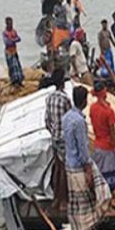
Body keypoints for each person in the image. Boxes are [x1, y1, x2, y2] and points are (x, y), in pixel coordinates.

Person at [63, 86, 112, 230]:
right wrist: (88, 170)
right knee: (88, 202)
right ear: (84, 101)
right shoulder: (78, 121)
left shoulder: (67, 117)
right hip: (79, 166)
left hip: (69, 165)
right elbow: (83, 149)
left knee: (76, 203)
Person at [44, 69, 71, 212]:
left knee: (57, 169)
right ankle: (63, 201)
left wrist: (53, 132)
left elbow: (47, 121)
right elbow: (70, 119)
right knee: (64, 170)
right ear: (63, 83)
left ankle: (56, 199)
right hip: (63, 139)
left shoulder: (49, 98)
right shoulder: (65, 99)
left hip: (54, 137)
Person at [89, 82, 115, 193]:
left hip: (98, 146)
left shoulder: (93, 108)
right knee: (111, 179)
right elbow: (113, 134)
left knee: (100, 176)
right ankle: (108, 204)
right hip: (107, 147)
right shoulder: (108, 112)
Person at [2, 17, 24, 86]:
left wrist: (13, 40)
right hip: (9, 52)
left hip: (14, 51)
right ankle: (14, 80)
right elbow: (7, 42)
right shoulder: (5, 33)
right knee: (12, 66)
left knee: (17, 65)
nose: (11, 25)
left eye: (11, 23)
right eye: (9, 23)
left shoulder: (14, 31)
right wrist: (13, 40)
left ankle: (19, 80)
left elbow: (19, 38)